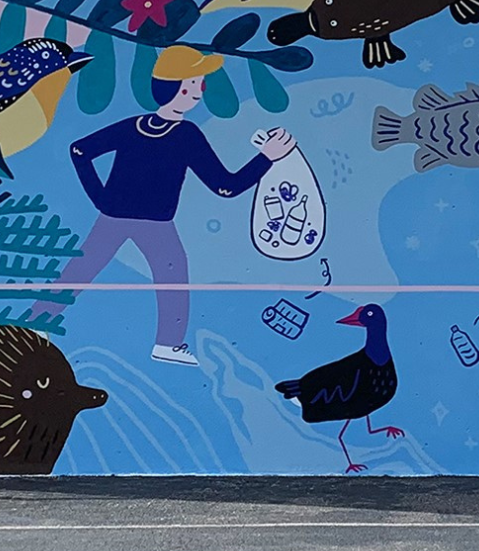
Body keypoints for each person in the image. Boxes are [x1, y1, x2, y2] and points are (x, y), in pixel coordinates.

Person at [31, 45, 297, 366]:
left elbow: (79, 152)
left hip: (120, 217)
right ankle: (168, 344)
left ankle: (37, 322)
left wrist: (103, 199)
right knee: (168, 275)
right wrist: (267, 157)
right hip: (150, 223)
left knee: (86, 268)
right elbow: (226, 187)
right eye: (196, 82)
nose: (200, 90)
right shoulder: (183, 134)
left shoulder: (141, 128)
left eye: (200, 83)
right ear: (180, 88)